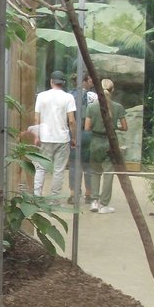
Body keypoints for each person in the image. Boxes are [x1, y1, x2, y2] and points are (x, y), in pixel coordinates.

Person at [84, 78, 127, 214]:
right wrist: (115, 127)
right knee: (108, 173)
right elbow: (125, 127)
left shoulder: (92, 107)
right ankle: (104, 204)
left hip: (96, 142)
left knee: (95, 172)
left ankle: (94, 201)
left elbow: (87, 128)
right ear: (112, 90)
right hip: (110, 142)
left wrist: (97, 126)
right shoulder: (118, 107)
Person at [32, 70, 76, 199]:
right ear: (63, 83)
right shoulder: (68, 97)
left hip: (45, 138)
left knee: (40, 168)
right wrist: (73, 138)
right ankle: (54, 200)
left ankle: (37, 198)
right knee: (58, 170)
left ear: (51, 81)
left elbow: (36, 119)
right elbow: (72, 120)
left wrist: (36, 136)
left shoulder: (41, 96)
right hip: (62, 139)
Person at [67, 72, 96, 204]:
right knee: (87, 165)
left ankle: (74, 193)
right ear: (84, 81)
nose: (92, 82)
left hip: (73, 132)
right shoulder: (93, 96)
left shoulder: (69, 95)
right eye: (90, 79)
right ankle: (89, 194)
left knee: (73, 164)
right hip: (88, 132)